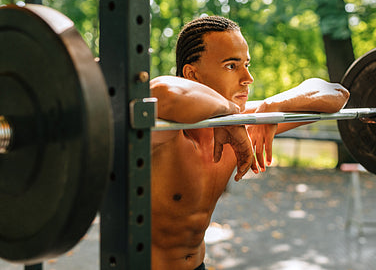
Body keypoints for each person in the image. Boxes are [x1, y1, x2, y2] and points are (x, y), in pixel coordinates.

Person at [150, 16, 349, 270]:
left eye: (247, 64)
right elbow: (164, 93)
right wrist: (228, 116)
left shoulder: (247, 121)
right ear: (192, 73)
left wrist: (273, 105)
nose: (248, 78)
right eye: (232, 66)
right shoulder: (165, 131)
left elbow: (335, 93)